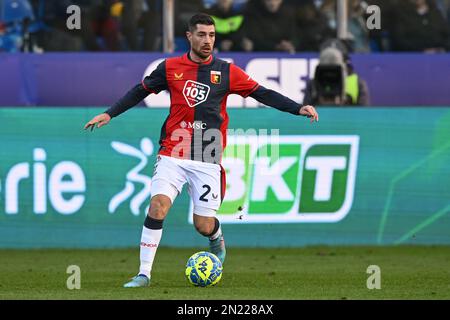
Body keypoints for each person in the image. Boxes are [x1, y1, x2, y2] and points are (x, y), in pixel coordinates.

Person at [84, 13, 318, 288]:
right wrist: (110, 114)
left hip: (207, 155)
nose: (207, 40)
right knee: (158, 206)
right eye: (202, 35)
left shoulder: (227, 72)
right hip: (173, 149)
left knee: (203, 224)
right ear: (189, 36)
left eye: (211, 35)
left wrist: (297, 107)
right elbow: (140, 91)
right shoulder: (170, 67)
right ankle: (143, 274)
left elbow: (262, 93)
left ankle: (216, 238)